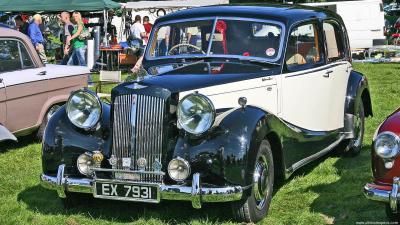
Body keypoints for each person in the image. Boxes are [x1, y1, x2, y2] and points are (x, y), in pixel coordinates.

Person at [66, 12, 92, 86]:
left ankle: (90, 82)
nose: (75, 18)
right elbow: (75, 40)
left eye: (76, 16)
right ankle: (71, 81)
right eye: (74, 17)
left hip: (80, 47)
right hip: (76, 47)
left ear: (79, 16)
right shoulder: (76, 25)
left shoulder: (80, 24)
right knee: (69, 64)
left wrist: (69, 39)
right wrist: (70, 48)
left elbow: (78, 33)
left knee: (83, 64)